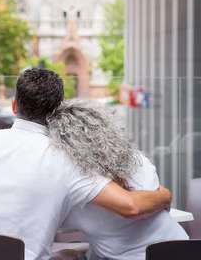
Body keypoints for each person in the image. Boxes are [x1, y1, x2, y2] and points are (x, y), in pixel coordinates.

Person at [0, 68, 172, 260]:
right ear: (57, 112)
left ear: (14, 106)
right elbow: (131, 206)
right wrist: (164, 196)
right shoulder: (65, 159)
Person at [48, 99, 189, 260]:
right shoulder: (137, 160)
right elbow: (164, 207)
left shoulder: (76, 186)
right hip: (180, 247)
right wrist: (165, 195)